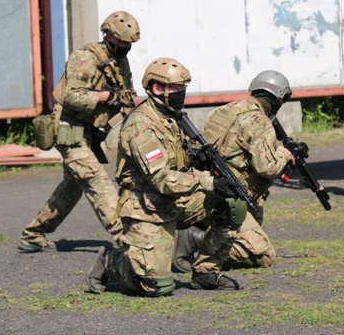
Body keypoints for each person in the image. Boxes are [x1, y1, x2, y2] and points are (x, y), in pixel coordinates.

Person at [87, 57, 246, 297]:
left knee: (233, 204)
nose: (181, 93)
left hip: (175, 202)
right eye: (177, 89)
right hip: (147, 209)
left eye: (183, 88)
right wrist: (208, 181)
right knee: (157, 286)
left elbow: (178, 158)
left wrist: (198, 159)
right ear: (157, 89)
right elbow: (161, 178)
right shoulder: (142, 126)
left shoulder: (171, 116)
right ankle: (112, 260)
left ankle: (205, 272)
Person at [18, 11, 140, 252]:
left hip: (90, 132)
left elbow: (127, 95)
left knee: (73, 186)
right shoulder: (85, 58)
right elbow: (71, 96)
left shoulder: (119, 61)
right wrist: (104, 96)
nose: (127, 47)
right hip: (69, 131)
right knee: (96, 180)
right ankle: (128, 240)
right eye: (123, 42)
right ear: (108, 36)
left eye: (130, 43)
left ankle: (34, 233)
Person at [173, 70, 294, 273]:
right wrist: (282, 154)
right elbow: (268, 168)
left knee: (254, 224)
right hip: (224, 197)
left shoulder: (226, 111)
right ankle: (196, 240)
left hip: (204, 188)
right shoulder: (259, 121)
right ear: (279, 98)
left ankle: (200, 234)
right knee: (262, 254)